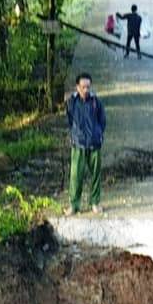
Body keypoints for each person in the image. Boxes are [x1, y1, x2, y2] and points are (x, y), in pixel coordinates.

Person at [65, 73, 107, 215]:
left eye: (88, 87)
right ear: (77, 87)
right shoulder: (72, 102)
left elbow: (102, 120)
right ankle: (74, 205)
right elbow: (70, 120)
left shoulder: (96, 101)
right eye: (83, 87)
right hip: (78, 144)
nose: (86, 90)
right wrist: (76, 135)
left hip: (94, 144)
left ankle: (95, 203)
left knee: (95, 175)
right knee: (75, 176)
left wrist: (98, 134)